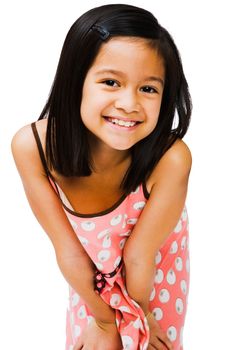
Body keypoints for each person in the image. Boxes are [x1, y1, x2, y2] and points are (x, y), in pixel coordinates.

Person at [11, 3, 192, 350]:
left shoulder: (170, 158)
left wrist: (142, 318)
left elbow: (140, 255)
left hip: (153, 268)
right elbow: (70, 253)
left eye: (148, 89)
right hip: (90, 269)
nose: (129, 103)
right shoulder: (32, 147)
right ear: (75, 80)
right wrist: (104, 320)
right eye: (111, 82)